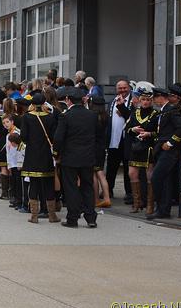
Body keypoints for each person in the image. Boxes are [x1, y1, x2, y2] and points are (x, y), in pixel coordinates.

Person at [55, 86, 101, 228]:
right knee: (87, 186)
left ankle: (72, 218)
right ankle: (91, 217)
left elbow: (58, 138)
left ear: (68, 100)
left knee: (71, 187)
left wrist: (56, 152)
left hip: (70, 157)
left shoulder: (65, 116)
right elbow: (99, 137)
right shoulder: (92, 115)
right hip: (88, 157)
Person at [145, 87, 181, 220]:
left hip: (169, 151)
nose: (154, 100)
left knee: (157, 178)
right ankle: (163, 210)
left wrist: (170, 143)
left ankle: (162, 208)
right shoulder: (163, 111)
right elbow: (162, 130)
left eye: (155, 98)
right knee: (165, 181)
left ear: (161, 97)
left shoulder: (171, 110)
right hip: (160, 149)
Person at [20, 92, 60, 223]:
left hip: (32, 154)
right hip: (46, 155)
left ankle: (34, 216)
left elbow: (24, 137)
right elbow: (54, 137)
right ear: (44, 103)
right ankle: (52, 215)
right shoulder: (50, 117)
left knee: (34, 184)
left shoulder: (26, 117)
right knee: (48, 184)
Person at [124, 87, 158, 214]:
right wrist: (133, 130)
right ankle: (136, 203)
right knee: (132, 174)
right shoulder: (134, 113)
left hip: (148, 148)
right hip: (136, 147)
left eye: (148, 100)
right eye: (143, 99)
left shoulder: (156, 114)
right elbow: (126, 129)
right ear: (139, 100)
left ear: (152, 101)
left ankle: (149, 204)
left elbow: (159, 133)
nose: (145, 102)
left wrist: (149, 134)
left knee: (150, 176)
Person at [105, 80, 133, 204]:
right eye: (120, 88)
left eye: (124, 88)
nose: (122, 90)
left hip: (126, 140)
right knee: (111, 167)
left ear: (129, 88)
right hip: (114, 139)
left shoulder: (134, 101)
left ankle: (129, 193)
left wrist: (122, 109)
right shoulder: (112, 101)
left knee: (127, 169)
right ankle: (108, 190)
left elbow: (133, 118)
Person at [89, 95, 112, 208]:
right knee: (101, 174)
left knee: (93, 174)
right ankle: (107, 198)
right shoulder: (105, 116)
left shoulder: (92, 117)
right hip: (101, 147)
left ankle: (96, 199)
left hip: (92, 147)